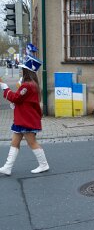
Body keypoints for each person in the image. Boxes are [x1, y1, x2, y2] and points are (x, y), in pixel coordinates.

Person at [0, 46, 49, 175]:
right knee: (14, 141)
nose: (21, 71)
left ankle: (44, 165)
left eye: (22, 70)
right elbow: (22, 101)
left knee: (32, 142)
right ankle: (7, 167)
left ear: (27, 71)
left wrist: (5, 88)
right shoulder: (31, 85)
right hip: (23, 118)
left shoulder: (28, 86)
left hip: (26, 119)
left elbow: (16, 98)